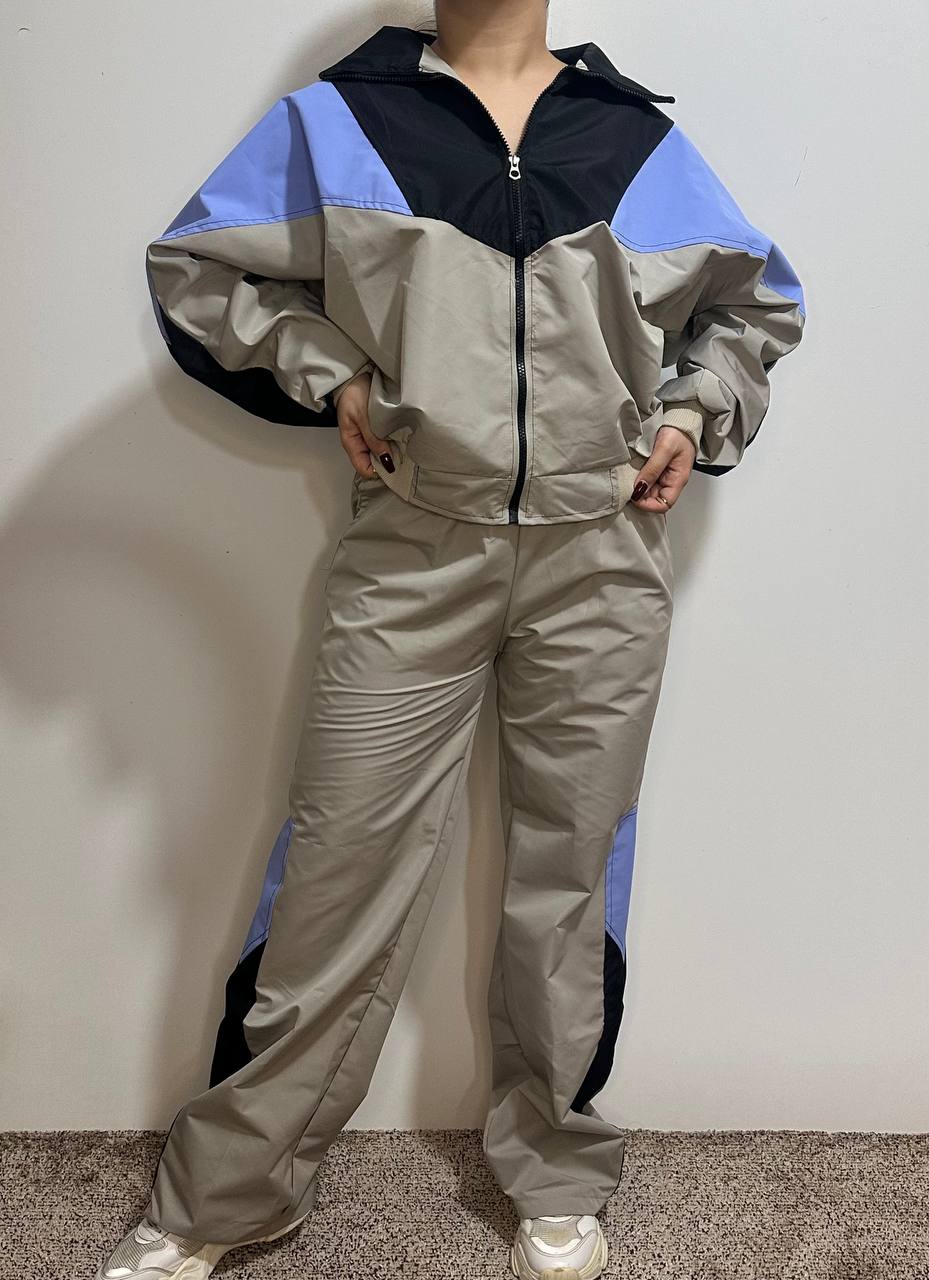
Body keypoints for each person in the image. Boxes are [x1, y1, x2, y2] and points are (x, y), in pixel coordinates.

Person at [96, 1, 805, 1277]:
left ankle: (557, 1165)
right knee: (337, 863)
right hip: (415, 546)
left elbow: (755, 305)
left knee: (569, 872)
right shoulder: (339, 122)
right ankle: (230, 1192)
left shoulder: (631, 138)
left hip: (601, 554)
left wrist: (692, 412)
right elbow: (197, 267)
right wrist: (331, 371)